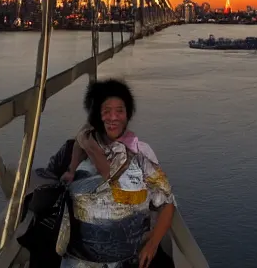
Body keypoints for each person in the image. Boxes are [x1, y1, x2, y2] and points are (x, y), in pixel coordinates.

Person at [60, 79, 176, 268]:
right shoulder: (77, 151)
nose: (113, 117)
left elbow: (167, 203)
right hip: (80, 261)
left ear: (128, 114)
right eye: (106, 111)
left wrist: (153, 245)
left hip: (129, 259)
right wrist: (72, 169)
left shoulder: (141, 154)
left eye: (120, 111)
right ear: (97, 115)